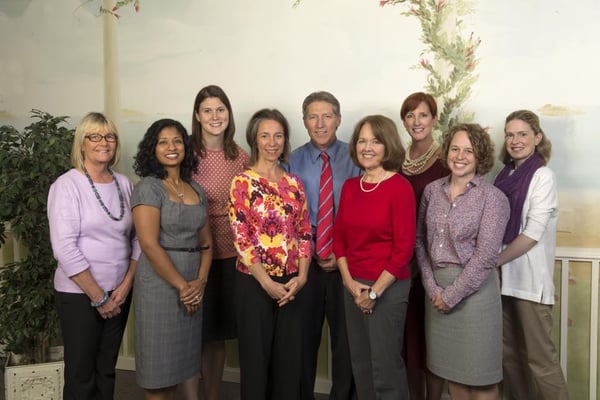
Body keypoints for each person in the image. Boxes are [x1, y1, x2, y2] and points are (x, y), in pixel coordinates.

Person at [48, 112, 140, 400]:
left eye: (110, 136)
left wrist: (124, 287)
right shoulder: (67, 185)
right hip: (79, 295)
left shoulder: (124, 183)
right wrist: (99, 296)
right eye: (95, 136)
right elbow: (64, 248)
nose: (104, 142)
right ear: (82, 143)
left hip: (119, 294)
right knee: (81, 374)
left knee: (106, 370)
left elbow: (138, 238)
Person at [415, 123, 509, 400]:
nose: (460, 156)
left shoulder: (493, 198)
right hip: (437, 294)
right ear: (446, 152)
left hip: (476, 295)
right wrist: (433, 289)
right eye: (455, 148)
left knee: (480, 380)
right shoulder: (432, 191)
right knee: (454, 374)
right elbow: (420, 242)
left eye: (468, 150)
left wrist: (451, 295)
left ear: (480, 156)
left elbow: (485, 257)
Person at [228, 108, 312, 400]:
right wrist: (266, 283)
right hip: (255, 283)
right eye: (265, 135)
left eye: (278, 135)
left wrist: (301, 278)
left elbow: (304, 232)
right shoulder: (242, 183)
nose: (272, 142)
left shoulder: (294, 183)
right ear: (255, 139)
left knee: (288, 363)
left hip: (291, 284)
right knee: (255, 362)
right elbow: (242, 238)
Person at [333, 115, 416, 400]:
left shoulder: (399, 188)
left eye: (375, 141)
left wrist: (375, 293)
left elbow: (403, 249)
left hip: (388, 288)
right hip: (353, 287)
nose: (367, 147)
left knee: (385, 366)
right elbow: (340, 240)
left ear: (387, 145)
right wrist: (349, 284)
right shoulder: (350, 187)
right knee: (362, 364)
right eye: (362, 141)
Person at [131, 118, 213, 400]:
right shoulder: (149, 188)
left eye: (177, 140)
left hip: (193, 284)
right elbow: (149, 245)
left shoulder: (196, 190)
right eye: (163, 141)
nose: (171, 147)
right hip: (160, 286)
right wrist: (183, 287)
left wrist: (199, 283)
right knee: (159, 378)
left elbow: (206, 245)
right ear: (152, 148)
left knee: (186, 365)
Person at [288, 91, 359, 400]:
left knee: (346, 342)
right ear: (304, 122)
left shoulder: (357, 157)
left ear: (338, 120)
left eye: (327, 116)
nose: (320, 123)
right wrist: (312, 251)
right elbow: (288, 217)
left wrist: (338, 252)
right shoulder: (291, 160)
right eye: (313, 117)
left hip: (346, 262)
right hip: (306, 263)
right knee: (303, 339)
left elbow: (361, 213)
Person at [494, 110, 568, 400]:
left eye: (523, 134)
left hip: (529, 285)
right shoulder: (503, 176)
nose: (515, 140)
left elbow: (532, 234)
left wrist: (494, 263)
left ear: (537, 138)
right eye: (510, 134)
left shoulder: (543, 177)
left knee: (541, 362)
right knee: (510, 361)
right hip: (504, 284)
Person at [183, 85, 249, 400]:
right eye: (207, 110)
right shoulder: (186, 155)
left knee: (217, 335)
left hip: (231, 257)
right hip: (194, 256)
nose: (214, 116)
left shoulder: (241, 157)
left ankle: (212, 396)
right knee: (195, 333)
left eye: (220, 109)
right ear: (197, 115)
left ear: (228, 114)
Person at [399, 92, 450, 400]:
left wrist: (426, 264)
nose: (416, 122)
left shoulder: (447, 161)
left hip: (434, 266)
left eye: (423, 115)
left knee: (433, 342)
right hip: (402, 266)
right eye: (410, 115)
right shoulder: (396, 160)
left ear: (434, 119)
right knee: (408, 340)